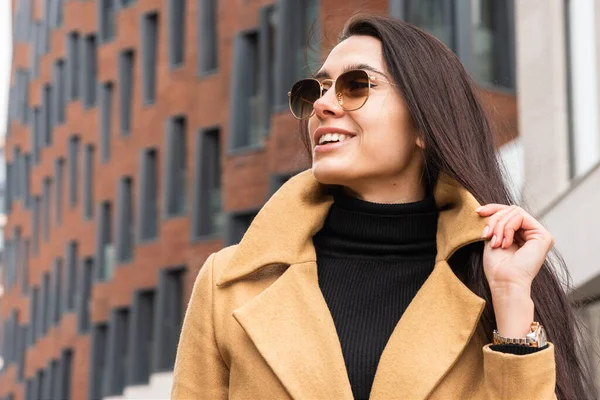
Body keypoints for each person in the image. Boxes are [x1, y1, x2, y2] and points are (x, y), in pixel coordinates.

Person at [171, 13, 596, 400]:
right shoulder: (229, 284)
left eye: (356, 85)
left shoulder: (487, 276)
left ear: (424, 125)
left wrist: (510, 306)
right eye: (315, 90)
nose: (321, 105)